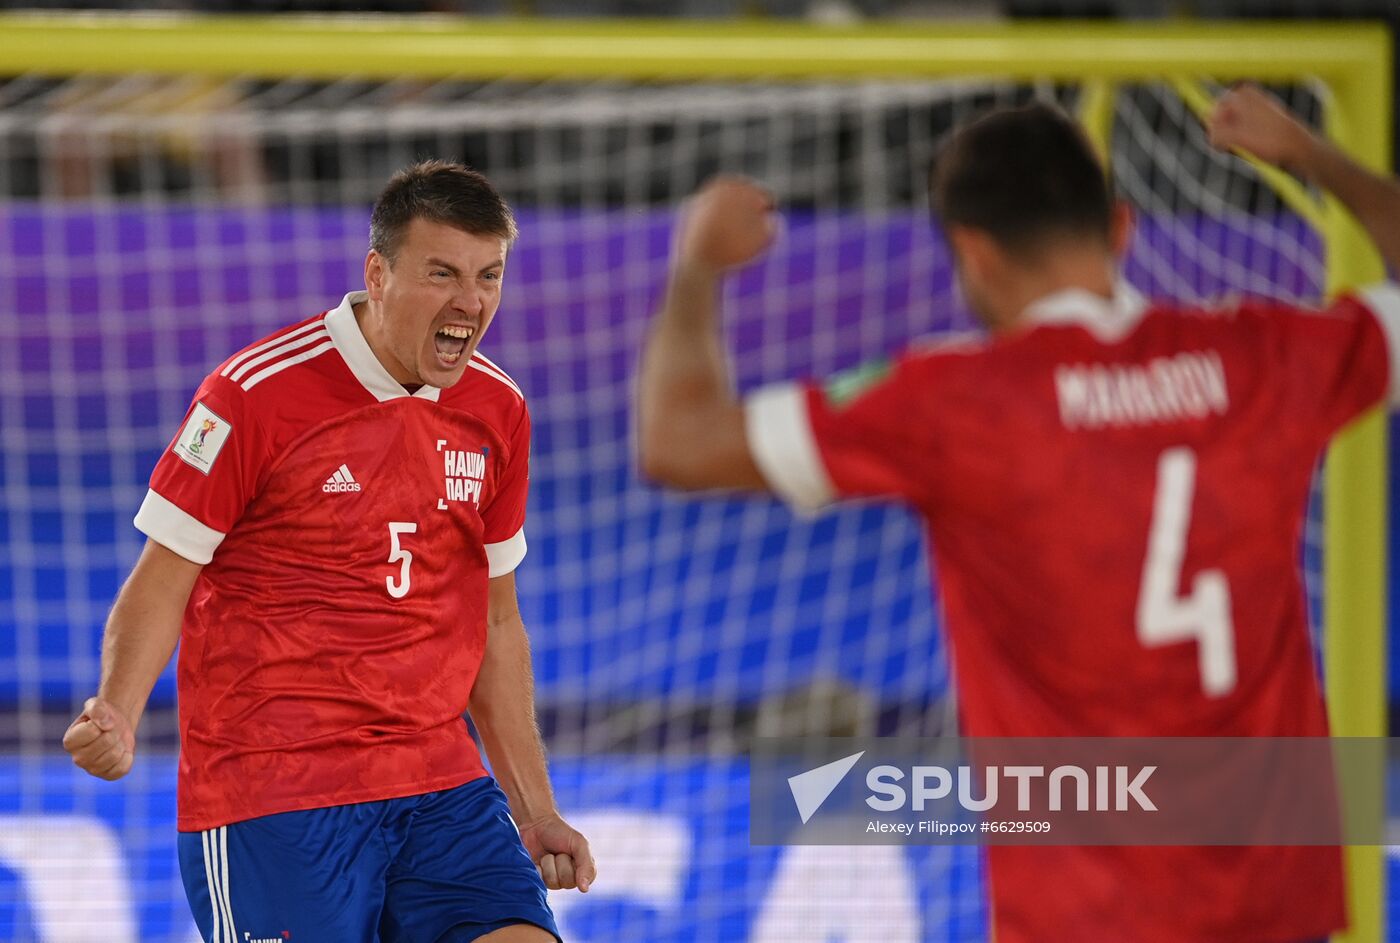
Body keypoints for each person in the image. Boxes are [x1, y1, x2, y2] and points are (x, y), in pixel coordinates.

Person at [637, 86, 1400, 942]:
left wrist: (697, 266)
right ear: (1122, 227)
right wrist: (1319, 160)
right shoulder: (1259, 357)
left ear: (974, 252)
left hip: (1087, 912)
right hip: (1276, 899)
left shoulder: (958, 402)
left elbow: (677, 440)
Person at [62, 159, 594, 943]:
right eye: (442, 273)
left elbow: (497, 621)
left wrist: (536, 808)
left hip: (439, 784)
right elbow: (165, 575)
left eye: (489, 276)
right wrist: (118, 706)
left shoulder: (498, 408)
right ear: (377, 275)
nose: (471, 302)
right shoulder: (254, 394)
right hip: (274, 788)